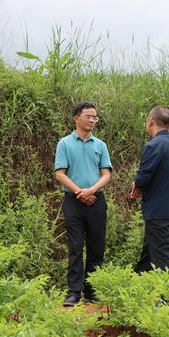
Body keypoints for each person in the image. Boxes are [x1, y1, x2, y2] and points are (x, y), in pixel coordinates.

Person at [54, 102, 112, 307]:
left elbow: (106, 174)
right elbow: (60, 173)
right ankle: (74, 292)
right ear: (76, 118)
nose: (92, 120)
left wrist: (91, 190)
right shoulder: (65, 144)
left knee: (97, 246)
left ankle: (91, 290)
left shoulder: (100, 145)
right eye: (89, 116)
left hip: (96, 199)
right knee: (76, 246)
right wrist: (80, 192)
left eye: (95, 117)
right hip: (73, 200)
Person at [132, 106, 169, 274]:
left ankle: (167, 297)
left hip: (158, 211)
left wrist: (136, 184)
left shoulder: (154, 145)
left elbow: (144, 176)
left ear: (150, 121)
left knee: (163, 255)